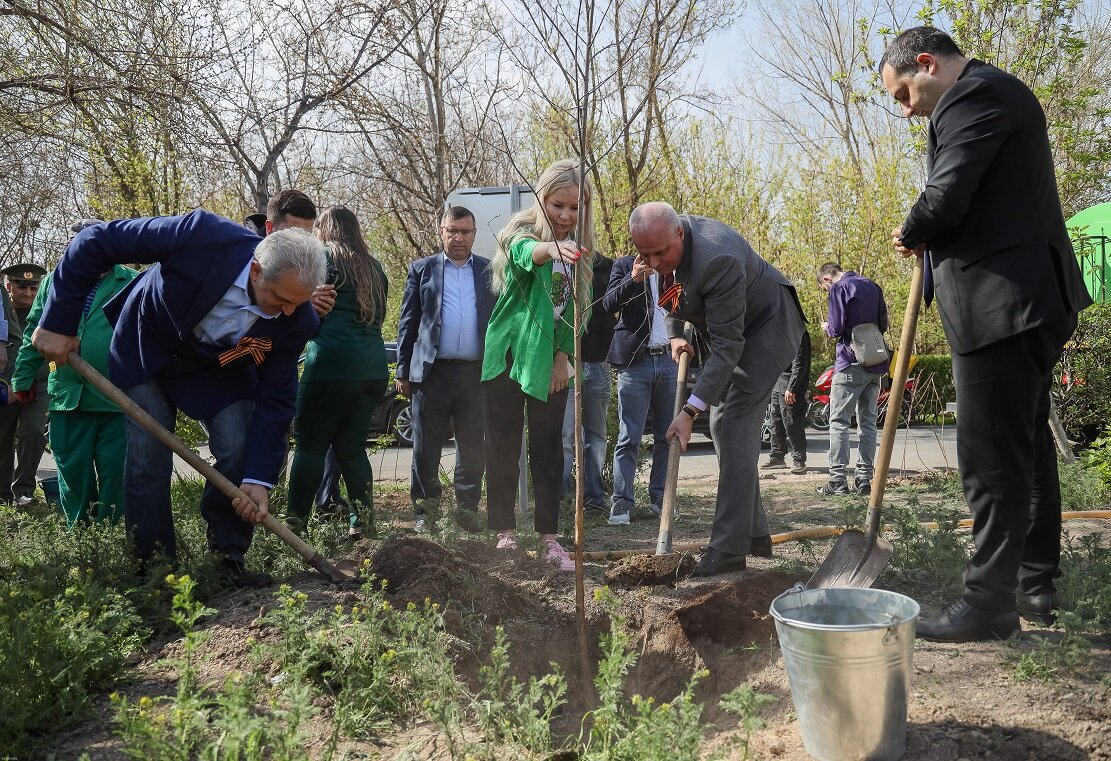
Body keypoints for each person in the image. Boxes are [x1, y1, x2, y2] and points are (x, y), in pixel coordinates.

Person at [881, 27, 1091, 642]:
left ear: (926, 64)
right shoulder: (991, 93)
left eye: (903, 93)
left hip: (1004, 304)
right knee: (1022, 447)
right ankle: (1033, 585)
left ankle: (989, 603)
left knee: (989, 454)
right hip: (1017, 302)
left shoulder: (976, 96)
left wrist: (912, 229)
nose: (906, 108)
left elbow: (946, 195)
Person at [32, 211, 326, 588]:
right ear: (256, 269)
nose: (287, 312)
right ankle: (155, 571)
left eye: (295, 305)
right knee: (147, 457)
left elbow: (277, 400)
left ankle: (228, 557)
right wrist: (59, 321)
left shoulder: (297, 319)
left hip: (214, 370)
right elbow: (94, 242)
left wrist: (259, 479)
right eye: (280, 299)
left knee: (240, 446)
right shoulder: (200, 236)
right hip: (147, 349)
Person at [629, 201, 806, 576]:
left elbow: (729, 345)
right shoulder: (659, 249)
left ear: (680, 233)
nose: (654, 261)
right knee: (723, 425)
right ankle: (754, 534)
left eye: (661, 253)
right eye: (646, 254)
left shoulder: (717, 257)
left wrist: (689, 412)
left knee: (733, 421)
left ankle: (728, 549)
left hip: (767, 328)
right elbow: (671, 291)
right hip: (730, 334)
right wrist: (676, 335)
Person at [482, 159, 594, 572]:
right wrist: (550, 249)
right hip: (510, 356)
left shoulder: (583, 251)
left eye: (573, 207)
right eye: (557, 205)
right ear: (542, 199)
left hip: (551, 362)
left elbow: (579, 310)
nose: (565, 216)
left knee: (548, 448)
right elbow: (524, 254)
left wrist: (562, 356)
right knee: (503, 446)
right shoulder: (519, 232)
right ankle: (504, 533)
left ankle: (550, 539)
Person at [11, 220, 138, 524]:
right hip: (68, 396)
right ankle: (81, 541)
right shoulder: (54, 281)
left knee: (115, 472)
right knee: (73, 472)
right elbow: (34, 331)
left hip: (116, 399)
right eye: (76, 245)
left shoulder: (131, 281)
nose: (82, 252)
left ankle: (111, 540)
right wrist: (23, 377)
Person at [286, 207, 389, 537]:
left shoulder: (321, 259)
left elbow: (301, 308)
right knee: (353, 448)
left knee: (310, 446)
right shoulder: (375, 267)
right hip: (371, 369)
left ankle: (295, 525)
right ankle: (362, 524)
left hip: (330, 366)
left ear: (324, 230)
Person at [394, 206, 495, 533]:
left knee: (472, 448)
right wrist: (402, 370)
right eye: (452, 231)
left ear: (474, 234)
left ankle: (467, 513)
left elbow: (497, 322)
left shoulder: (488, 270)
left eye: (465, 232)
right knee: (426, 448)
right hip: (431, 375)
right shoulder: (421, 270)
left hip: (474, 374)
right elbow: (408, 323)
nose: (458, 238)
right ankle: (426, 513)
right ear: (441, 232)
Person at [603, 253, 679, 524]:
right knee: (629, 437)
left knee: (667, 436)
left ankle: (661, 500)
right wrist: (633, 279)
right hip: (636, 361)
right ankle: (621, 503)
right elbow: (608, 303)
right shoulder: (624, 264)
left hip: (670, 361)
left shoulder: (675, 265)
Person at [815, 263, 888, 496]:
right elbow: (883, 324)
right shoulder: (873, 285)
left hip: (849, 362)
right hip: (874, 362)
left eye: (825, 289)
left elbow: (836, 328)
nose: (828, 292)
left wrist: (827, 327)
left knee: (839, 422)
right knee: (867, 424)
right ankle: (864, 479)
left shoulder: (839, 288)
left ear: (827, 279)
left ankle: (837, 480)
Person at [560, 251, 615, 514]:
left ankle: (594, 498)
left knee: (596, 435)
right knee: (565, 437)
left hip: (599, 362)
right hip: (565, 362)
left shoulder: (608, 268)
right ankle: (562, 499)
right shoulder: (559, 266)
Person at [0, 262, 50, 505]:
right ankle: (2, 495)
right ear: (10, 286)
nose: (28, 293)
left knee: (34, 432)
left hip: (39, 385)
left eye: (33, 287)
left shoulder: (46, 311)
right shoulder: (1, 310)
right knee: (2, 438)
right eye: (22, 287)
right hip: (4, 384)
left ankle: (24, 491)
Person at [763, 331, 812, 475]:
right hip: (777, 381)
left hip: (791, 384)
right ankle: (777, 456)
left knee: (791, 422)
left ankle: (799, 459)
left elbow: (800, 362)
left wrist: (793, 387)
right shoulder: (780, 329)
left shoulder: (798, 332)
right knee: (775, 421)